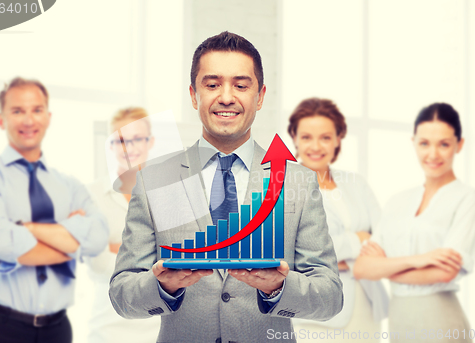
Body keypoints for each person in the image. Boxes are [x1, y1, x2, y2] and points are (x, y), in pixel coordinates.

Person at [109, 31, 343, 343]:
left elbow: (330, 297)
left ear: (259, 97)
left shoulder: (296, 181)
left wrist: (279, 288)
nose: (227, 97)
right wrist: (164, 286)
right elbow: (121, 293)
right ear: (194, 95)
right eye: (212, 84)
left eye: (241, 85)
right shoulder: (154, 179)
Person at [0, 77, 109, 343]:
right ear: (1, 120)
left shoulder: (70, 185)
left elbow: (97, 239)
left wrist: (25, 229)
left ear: (48, 118)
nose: (29, 121)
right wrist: (70, 239)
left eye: (36, 110)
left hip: (57, 329)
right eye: (17, 111)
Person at [354, 103, 475, 342]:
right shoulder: (397, 201)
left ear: (459, 145)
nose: (433, 154)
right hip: (400, 320)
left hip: (441, 320)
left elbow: (444, 271)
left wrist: (386, 267)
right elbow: (362, 268)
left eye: (444, 144)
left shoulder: (467, 199)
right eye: (424, 143)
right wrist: (419, 260)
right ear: (414, 143)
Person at [287, 98, 388, 342]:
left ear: (338, 139)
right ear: (295, 139)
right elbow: (290, 254)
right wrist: (358, 242)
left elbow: (385, 238)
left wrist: (334, 257)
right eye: (307, 137)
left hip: (367, 308)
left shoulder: (357, 184)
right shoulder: (284, 188)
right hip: (316, 315)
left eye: (325, 137)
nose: (316, 146)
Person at [86, 107, 160, 343]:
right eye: (121, 140)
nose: (129, 148)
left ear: (150, 142)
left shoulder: (172, 192)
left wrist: (117, 247)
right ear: (111, 145)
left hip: (161, 328)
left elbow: (187, 255)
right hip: (108, 329)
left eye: (137, 139)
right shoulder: (92, 195)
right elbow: (97, 261)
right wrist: (154, 250)